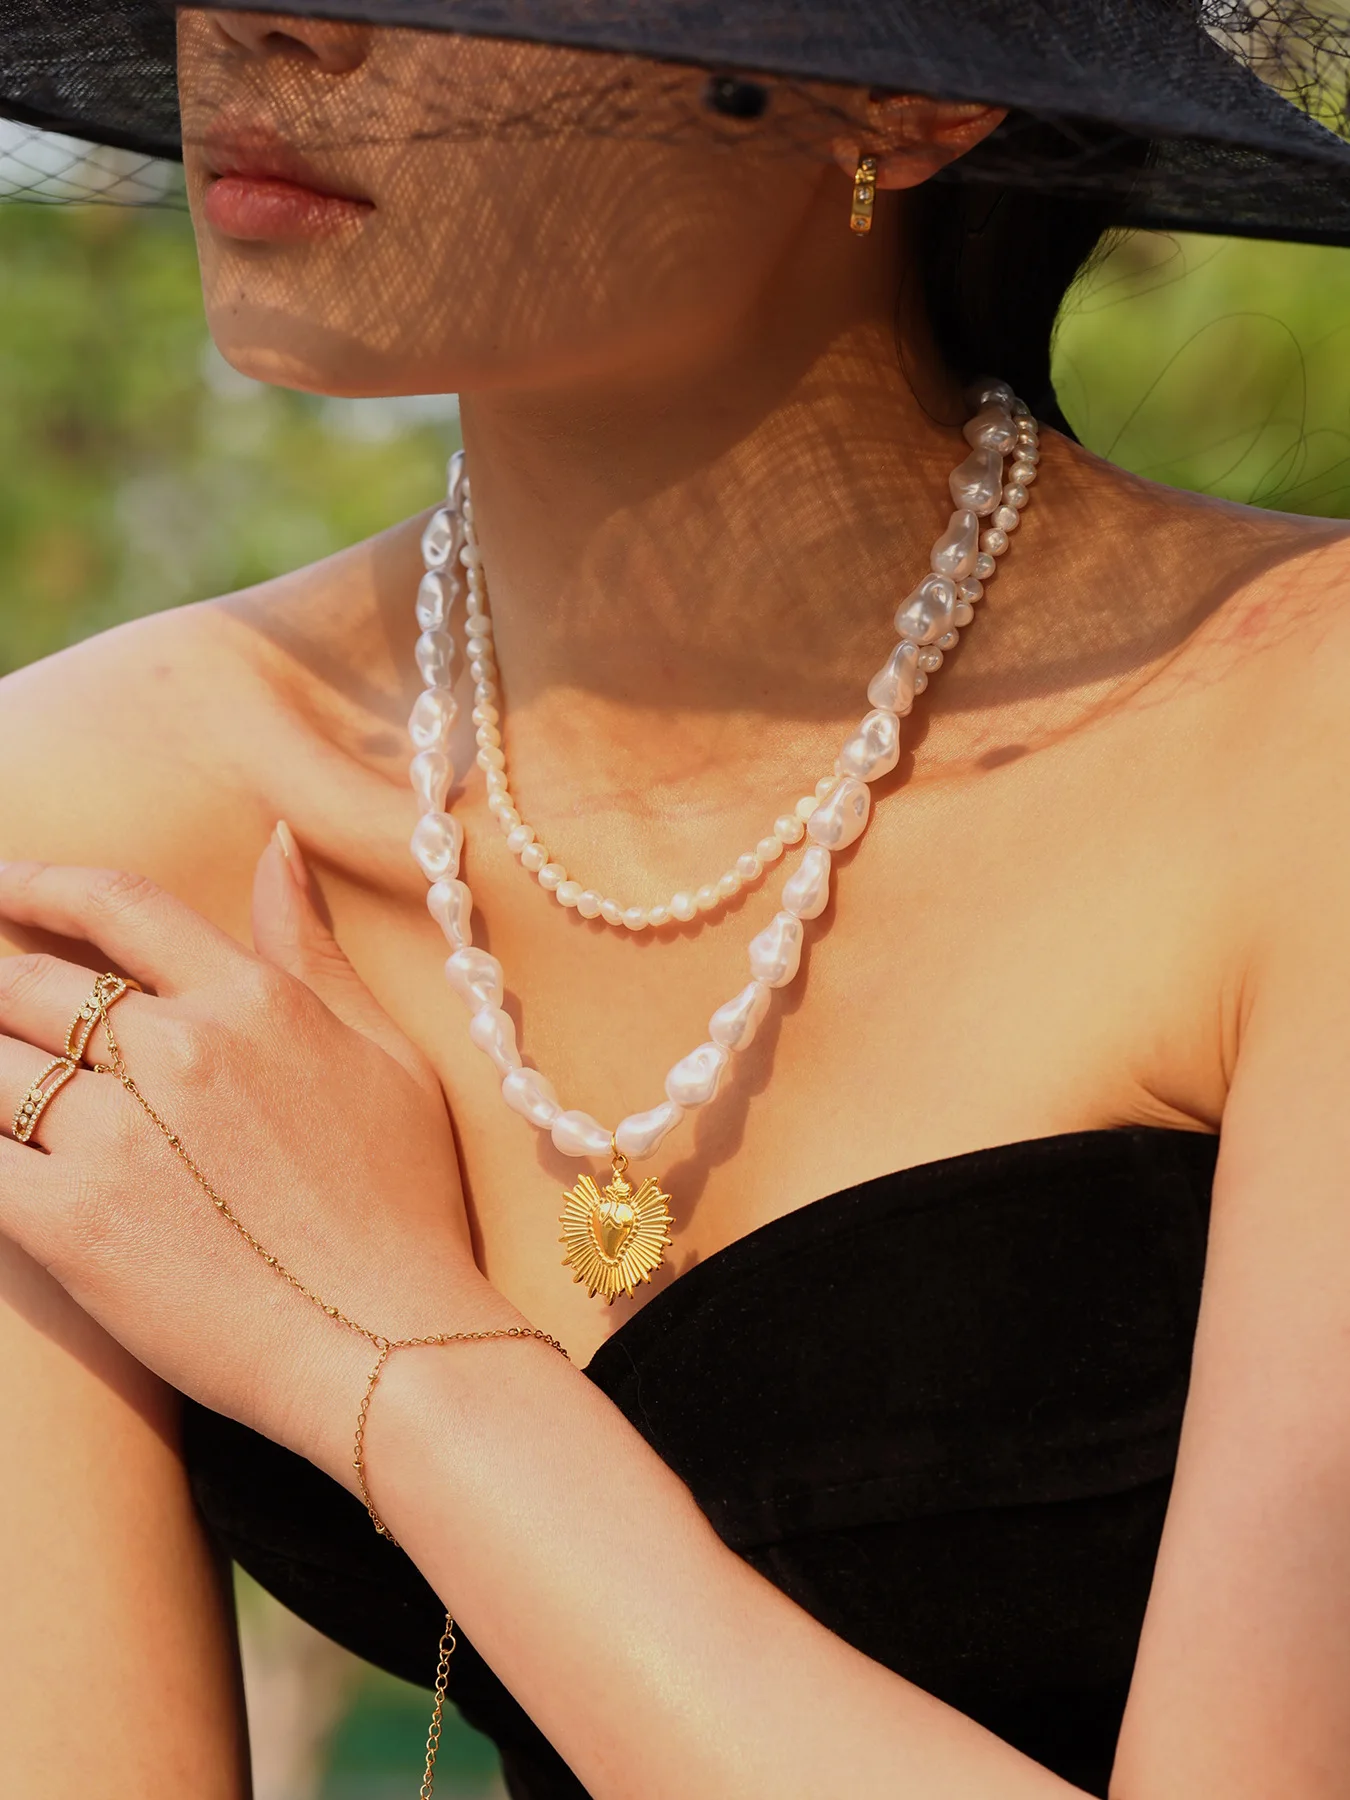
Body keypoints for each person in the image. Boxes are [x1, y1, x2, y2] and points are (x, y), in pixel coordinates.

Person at [1, 4, 1350, 1796]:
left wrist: (397, 1362)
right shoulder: (85, 824)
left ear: (905, 86)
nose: (263, 20)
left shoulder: (1301, 742)